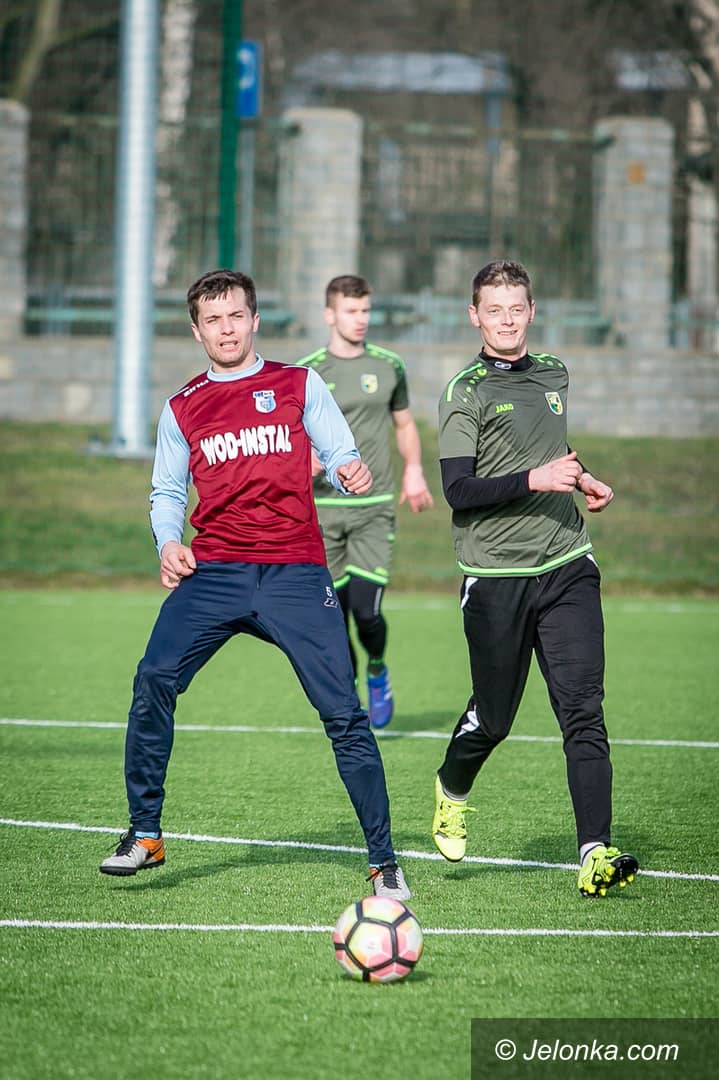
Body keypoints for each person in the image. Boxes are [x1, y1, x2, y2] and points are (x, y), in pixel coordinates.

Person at [100, 268, 410, 901]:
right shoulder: (183, 407)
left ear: (255, 320)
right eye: (213, 320)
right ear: (197, 331)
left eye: (236, 316)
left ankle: (383, 860)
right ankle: (145, 833)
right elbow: (167, 491)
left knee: (343, 713)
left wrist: (348, 468)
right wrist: (168, 543)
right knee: (153, 677)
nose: (226, 330)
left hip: (295, 570)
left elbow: (339, 450)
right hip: (214, 571)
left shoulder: (298, 383)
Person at [431, 259, 638, 898]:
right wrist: (535, 480)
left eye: (516, 309)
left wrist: (582, 476)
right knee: (494, 719)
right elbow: (458, 490)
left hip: (567, 563)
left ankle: (595, 852)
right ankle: (452, 786)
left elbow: (550, 448)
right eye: (494, 310)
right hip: (495, 576)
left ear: (531, 311)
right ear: (475, 316)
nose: (507, 321)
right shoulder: (464, 392)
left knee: (583, 711)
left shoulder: (554, 373)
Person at [296, 275, 433, 729]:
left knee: (367, 612)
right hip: (323, 512)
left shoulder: (389, 365)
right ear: (329, 314)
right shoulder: (306, 373)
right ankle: (349, 694)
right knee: (334, 617)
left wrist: (414, 470)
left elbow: (404, 425)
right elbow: (292, 438)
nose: (361, 319)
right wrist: (307, 463)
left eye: (366, 310)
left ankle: (377, 669)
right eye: (351, 311)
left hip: (374, 506)